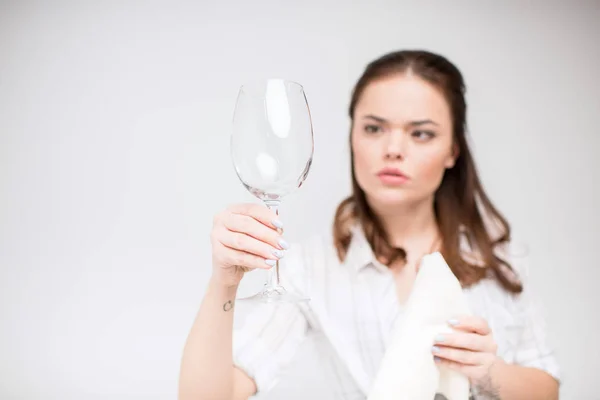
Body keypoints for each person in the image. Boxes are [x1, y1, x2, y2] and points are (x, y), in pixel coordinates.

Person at [178, 50, 560, 400]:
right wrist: (223, 282)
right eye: (374, 128)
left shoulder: (498, 257)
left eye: (421, 133)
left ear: (452, 152)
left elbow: (547, 389)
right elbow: (209, 396)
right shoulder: (312, 267)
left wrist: (487, 371)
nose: (393, 148)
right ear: (353, 138)